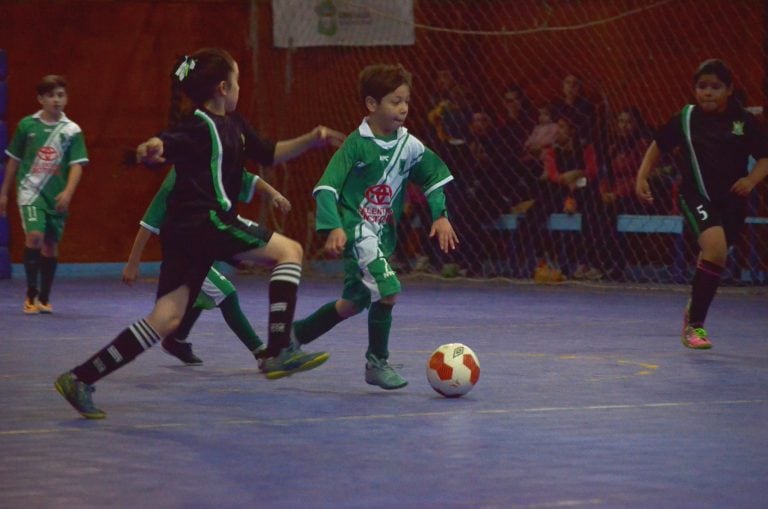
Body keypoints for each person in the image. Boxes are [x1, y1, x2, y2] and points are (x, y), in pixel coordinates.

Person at [54, 48, 344, 419]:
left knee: (166, 319)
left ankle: (80, 378)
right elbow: (167, 141)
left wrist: (312, 138)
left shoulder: (235, 125)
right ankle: (276, 351)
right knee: (290, 251)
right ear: (223, 87)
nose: (240, 87)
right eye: (237, 81)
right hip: (205, 222)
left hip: (185, 232)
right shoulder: (199, 124)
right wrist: (152, 147)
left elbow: (269, 153)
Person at [291, 64, 458, 390]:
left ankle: (294, 335)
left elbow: (435, 177)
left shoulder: (408, 145)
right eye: (395, 101)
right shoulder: (355, 145)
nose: (403, 108)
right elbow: (326, 187)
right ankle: (376, 362)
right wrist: (334, 227)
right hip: (358, 231)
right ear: (371, 105)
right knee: (389, 290)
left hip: (381, 235)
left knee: (352, 303)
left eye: (406, 100)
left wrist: (440, 214)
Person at [636, 58, 768, 349]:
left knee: (715, 256)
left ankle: (693, 308)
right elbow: (658, 145)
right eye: (702, 86)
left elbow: (765, 158)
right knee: (715, 248)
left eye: (715, 87)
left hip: (732, 200)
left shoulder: (744, 121)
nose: (707, 92)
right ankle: (695, 326)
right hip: (696, 196)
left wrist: (751, 181)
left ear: (729, 89)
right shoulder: (686, 118)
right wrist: (642, 177)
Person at [122, 168, 292, 365]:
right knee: (226, 294)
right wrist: (133, 263)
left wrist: (275, 194)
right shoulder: (177, 179)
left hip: (201, 253)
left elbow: (249, 179)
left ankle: (176, 340)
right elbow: (149, 222)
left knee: (196, 297)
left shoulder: (219, 162)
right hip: (184, 257)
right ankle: (262, 354)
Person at [0, 75, 88, 314]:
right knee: (35, 236)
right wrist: (4, 193)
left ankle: (45, 296)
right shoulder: (27, 126)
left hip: (57, 195)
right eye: (50, 96)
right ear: (40, 99)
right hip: (31, 191)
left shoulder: (72, 131)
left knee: (50, 245)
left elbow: (77, 165)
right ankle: (30, 294)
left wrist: (68, 192)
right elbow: (13, 161)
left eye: (60, 95)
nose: (56, 100)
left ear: (66, 98)